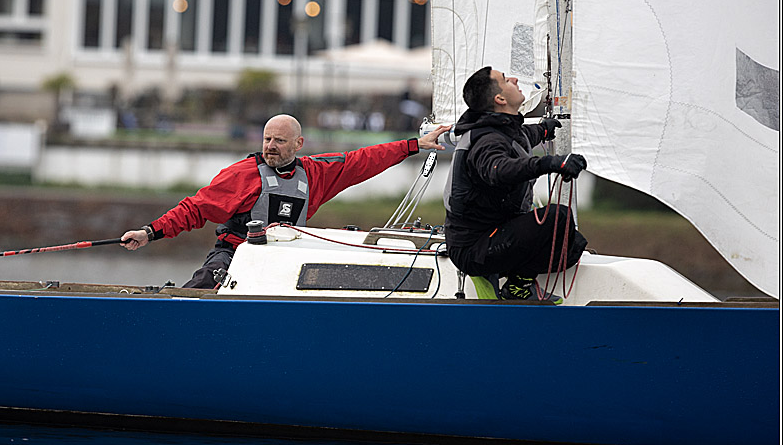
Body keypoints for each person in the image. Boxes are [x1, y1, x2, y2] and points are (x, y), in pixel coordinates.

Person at [121, 114, 450, 288]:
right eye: (267, 139)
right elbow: (195, 208)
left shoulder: (317, 173)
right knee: (209, 279)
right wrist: (149, 232)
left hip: (285, 262)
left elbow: (363, 159)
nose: (271, 146)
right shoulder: (243, 174)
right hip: (235, 255)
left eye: (279, 140)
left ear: (298, 143)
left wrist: (414, 145)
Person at [442, 66, 588, 301]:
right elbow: (499, 169)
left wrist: (543, 130)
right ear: (500, 99)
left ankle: (503, 272)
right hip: (475, 248)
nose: (515, 78)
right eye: (505, 79)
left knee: (572, 246)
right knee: (558, 218)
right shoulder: (487, 141)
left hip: (494, 234)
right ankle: (516, 287)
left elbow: (521, 137)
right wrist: (550, 163)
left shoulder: (502, 129)